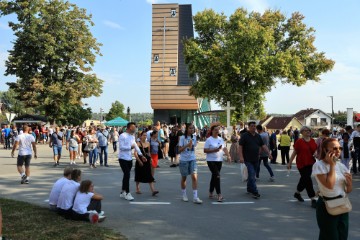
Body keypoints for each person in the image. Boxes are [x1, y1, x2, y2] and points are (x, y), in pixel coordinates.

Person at [312, 138, 353, 240]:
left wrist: (349, 184)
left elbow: (347, 190)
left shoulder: (342, 166)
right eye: (334, 148)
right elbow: (329, 185)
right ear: (325, 150)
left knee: (342, 236)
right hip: (327, 205)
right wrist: (332, 166)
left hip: (342, 204)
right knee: (330, 236)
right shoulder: (319, 165)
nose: (338, 150)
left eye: (340, 148)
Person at [239, 122, 272, 199]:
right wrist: (241, 157)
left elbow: (263, 146)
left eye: (254, 126)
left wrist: (269, 154)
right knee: (252, 173)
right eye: (252, 126)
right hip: (247, 159)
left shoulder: (258, 136)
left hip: (256, 158)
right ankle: (255, 191)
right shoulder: (245, 136)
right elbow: (240, 147)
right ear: (249, 127)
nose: (253, 127)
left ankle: (249, 188)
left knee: (252, 175)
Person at [288, 126, 317, 208]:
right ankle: (313, 199)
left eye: (309, 130)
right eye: (306, 130)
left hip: (310, 163)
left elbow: (315, 151)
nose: (308, 131)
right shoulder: (299, 141)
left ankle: (297, 193)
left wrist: (316, 154)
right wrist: (289, 163)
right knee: (307, 180)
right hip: (301, 163)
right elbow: (294, 153)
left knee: (304, 179)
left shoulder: (312, 141)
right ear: (302, 132)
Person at [118, 122, 147, 201]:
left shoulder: (132, 136)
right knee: (127, 174)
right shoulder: (122, 135)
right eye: (134, 127)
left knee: (126, 175)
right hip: (122, 158)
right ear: (129, 127)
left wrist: (141, 155)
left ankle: (123, 192)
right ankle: (127, 193)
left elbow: (136, 146)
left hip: (129, 158)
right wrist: (130, 147)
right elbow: (121, 147)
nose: (135, 128)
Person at [204, 125, 231, 202]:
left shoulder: (221, 139)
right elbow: (205, 150)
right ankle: (219, 194)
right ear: (212, 131)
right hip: (211, 160)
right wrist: (214, 150)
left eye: (218, 130)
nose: (217, 131)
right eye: (215, 130)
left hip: (219, 160)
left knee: (214, 176)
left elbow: (224, 148)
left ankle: (211, 191)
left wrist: (228, 156)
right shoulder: (209, 140)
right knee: (217, 175)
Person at [178, 123, 202, 204]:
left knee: (194, 177)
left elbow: (192, 148)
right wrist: (187, 145)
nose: (192, 129)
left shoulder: (194, 137)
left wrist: (191, 146)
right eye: (190, 128)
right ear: (187, 129)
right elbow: (179, 150)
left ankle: (195, 197)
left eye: (193, 128)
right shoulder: (182, 138)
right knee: (184, 178)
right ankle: (184, 195)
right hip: (184, 160)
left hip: (192, 159)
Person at [134, 131, 159, 196]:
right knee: (138, 174)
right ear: (140, 136)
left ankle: (153, 190)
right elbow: (135, 154)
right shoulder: (138, 143)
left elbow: (148, 152)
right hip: (140, 160)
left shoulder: (148, 143)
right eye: (143, 135)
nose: (145, 136)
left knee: (149, 175)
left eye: (145, 135)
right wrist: (139, 161)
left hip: (147, 161)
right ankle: (137, 189)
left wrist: (150, 159)